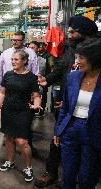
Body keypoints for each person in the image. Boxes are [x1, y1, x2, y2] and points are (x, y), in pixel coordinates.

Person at [35, 16, 99, 188]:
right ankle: (52, 172)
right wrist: (47, 81)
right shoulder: (71, 51)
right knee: (58, 141)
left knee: (88, 165)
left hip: (92, 118)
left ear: (85, 33)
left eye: (73, 32)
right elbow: (62, 69)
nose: (69, 35)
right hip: (68, 108)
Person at [54, 39, 101, 189]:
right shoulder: (73, 77)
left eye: (81, 57)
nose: (77, 61)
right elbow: (65, 107)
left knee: (87, 176)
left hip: (93, 132)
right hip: (71, 128)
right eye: (76, 57)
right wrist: (58, 130)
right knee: (67, 173)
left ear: (94, 58)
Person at [0, 50, 41, 182]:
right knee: (8, 137)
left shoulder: (31, 77)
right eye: (12, 60)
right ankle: (10, 161)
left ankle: (28, 167)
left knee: (22, 141)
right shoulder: (8, 75)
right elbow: (2, 92)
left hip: (23, 112)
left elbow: (36, 95)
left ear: (24, 61)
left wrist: (36, 105)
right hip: (8, 110)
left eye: (16, 60)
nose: (13, 62)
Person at [0, 31, 39, 95]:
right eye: (13, 40)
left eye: (18, 40)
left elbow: (35, 72)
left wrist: (34, 91)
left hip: (25, 88)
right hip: (7, 87)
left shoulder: (31, 53)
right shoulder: (5, 53)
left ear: (23, 41)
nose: (15, 42)